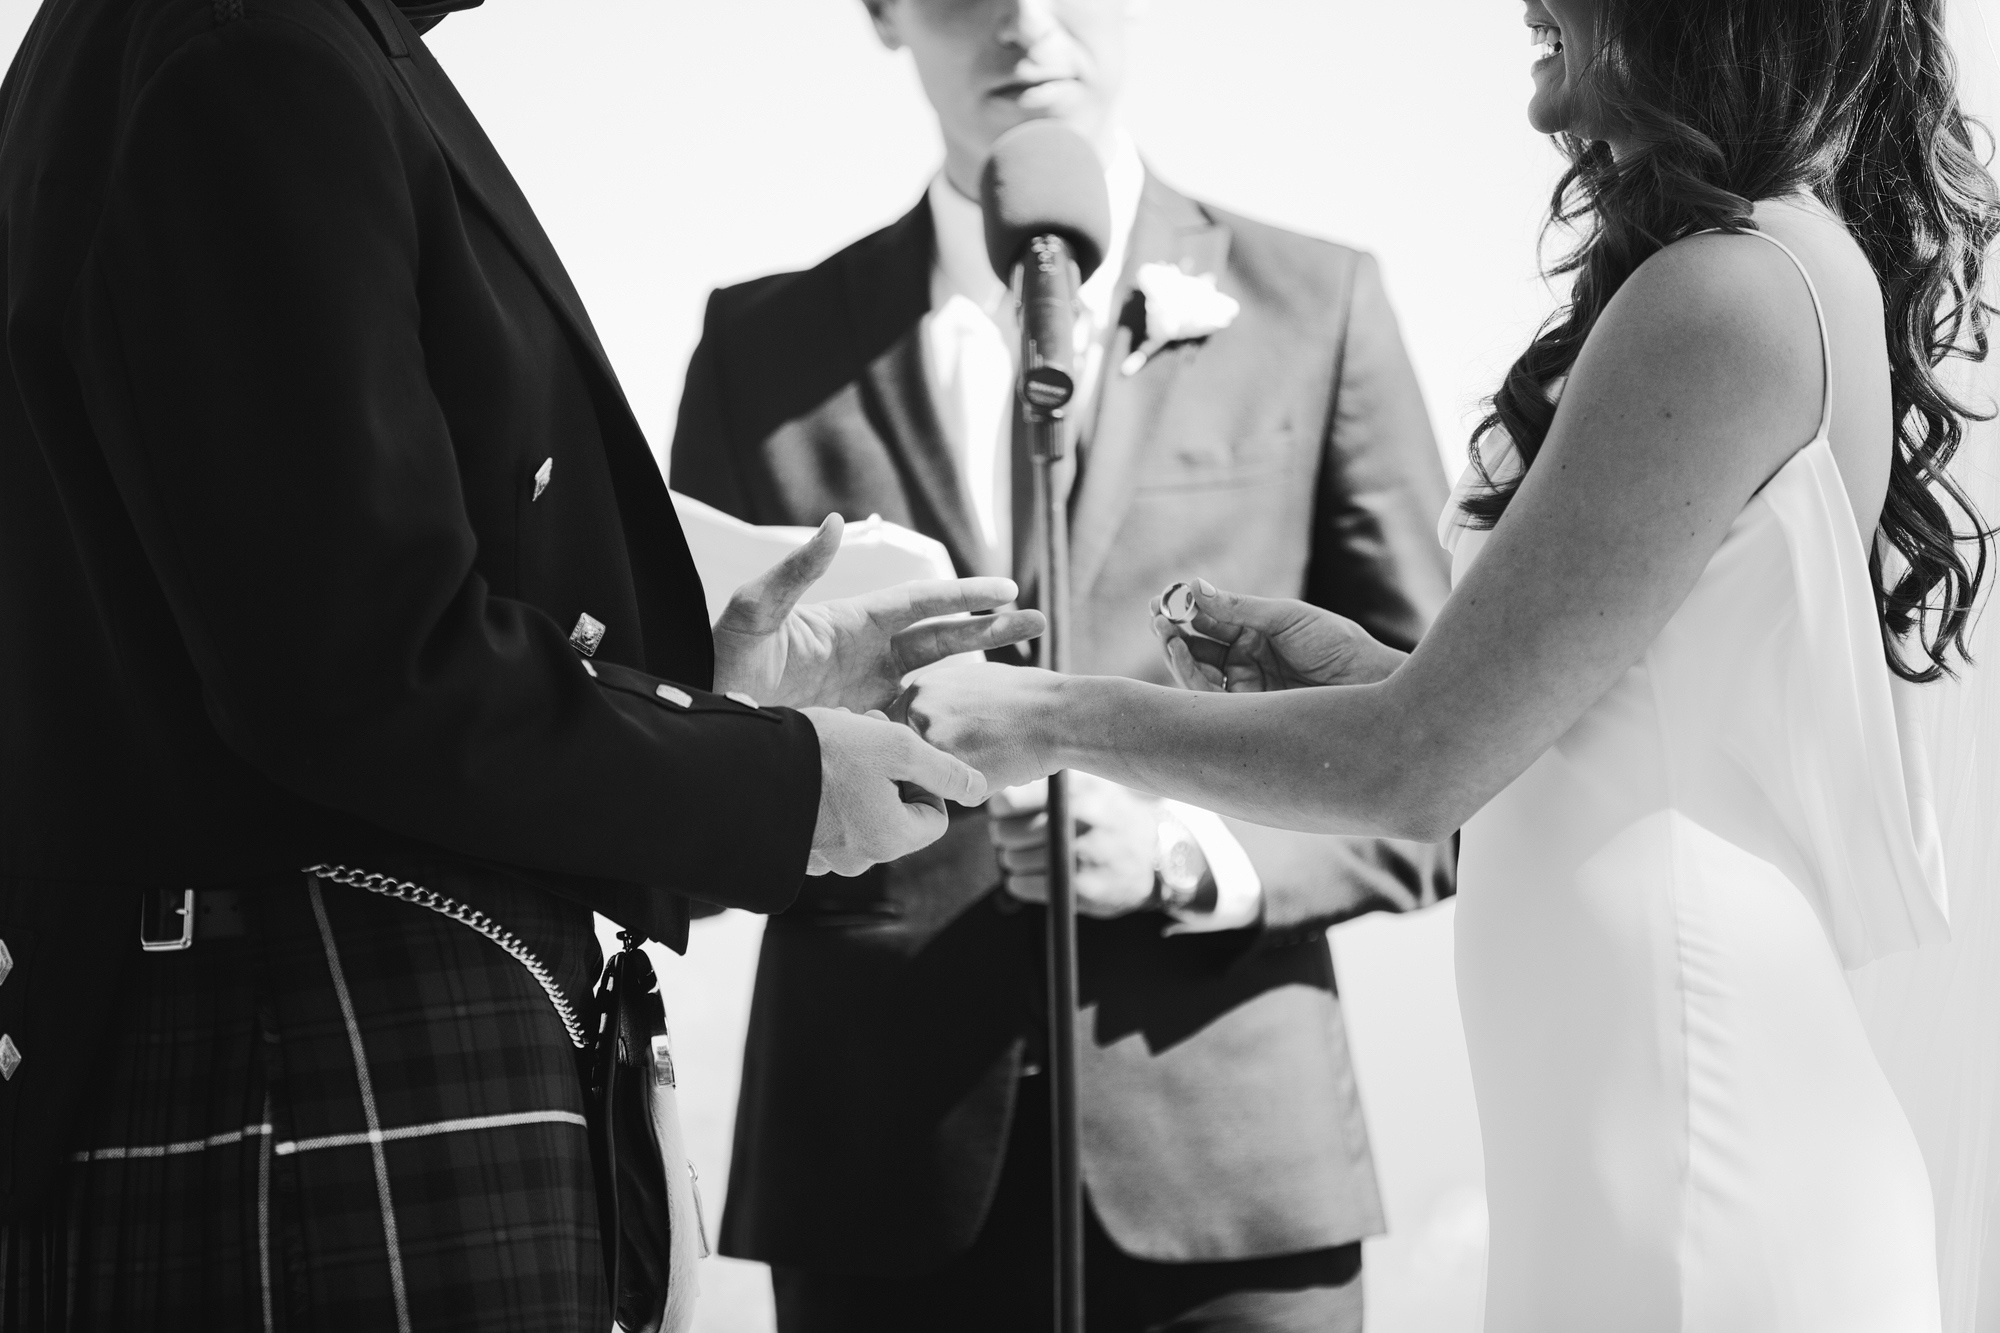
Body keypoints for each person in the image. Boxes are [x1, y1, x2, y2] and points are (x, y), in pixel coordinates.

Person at [903, 0, 2000, 1329]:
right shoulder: (1778, 261)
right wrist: (1363, 664)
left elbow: (1420, 769)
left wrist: (1054, 713)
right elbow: (1606, 705)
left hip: (1690, 1111)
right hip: (1636, 1094)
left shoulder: (1725, 289)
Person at [0, 0, 1045, 1327]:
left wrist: (708, 683)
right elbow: (361, 670)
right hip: (322, 1055)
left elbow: (297, 607)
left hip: (290, 1051)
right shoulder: (248, 47)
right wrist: (777, 785)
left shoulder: (218, 41)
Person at [668, 2, 1454, 1329]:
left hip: (1230, 1180)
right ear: (882, 12)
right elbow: (678, 742)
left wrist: (1187, 853)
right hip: (873, 1179)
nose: (1026, 20)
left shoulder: (1318, 307)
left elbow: (1447, 757)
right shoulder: (761, 351)